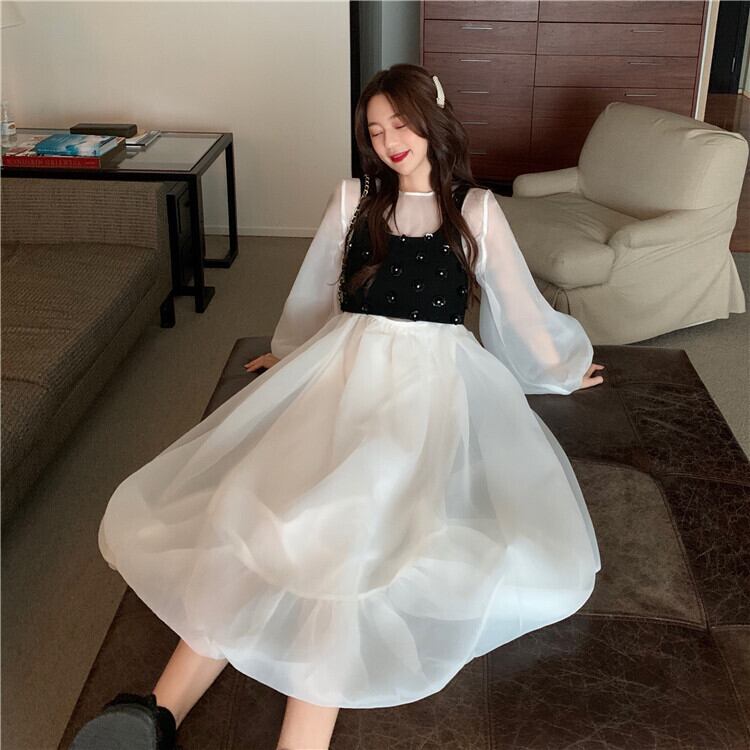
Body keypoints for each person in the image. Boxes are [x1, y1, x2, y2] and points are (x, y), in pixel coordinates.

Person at [69, 63, 605, 750]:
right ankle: (153, 715)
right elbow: (318, 290)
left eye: (401, 124)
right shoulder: (354, 199)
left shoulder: (475, 209)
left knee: (350, 531)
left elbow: (518, 305)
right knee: (259, 516)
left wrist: (560, 367)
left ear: (433, 120)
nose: (390, 142)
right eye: (375, 131)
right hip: (343, 369)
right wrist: (291, 353)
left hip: (429, 387)